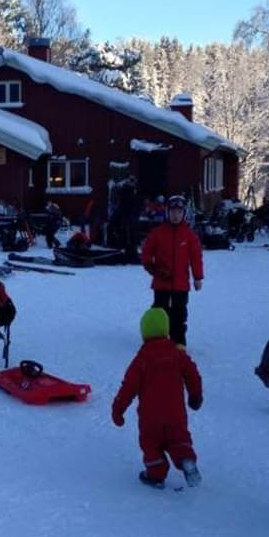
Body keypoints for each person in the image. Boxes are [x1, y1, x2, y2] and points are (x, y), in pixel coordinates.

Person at [110, 307, 204, 488]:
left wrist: (118, 410)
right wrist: (195, 396)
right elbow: (193, 376)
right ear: (166, 331)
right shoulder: (178, 355)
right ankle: (186, 459)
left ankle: (156, 474)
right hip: (175, 414)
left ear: (144, 334)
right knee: (179, 439)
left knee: (151, 445)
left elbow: (127, 388)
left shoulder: (141, 360)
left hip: (150, 418)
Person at [139, 194, 203, 347]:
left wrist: (198, 277)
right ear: (167, 213)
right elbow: (146, 252)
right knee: (160, 313)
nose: (176, 215)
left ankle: (178, 342)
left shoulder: (189, 235)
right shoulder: (158, 233)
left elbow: (196, 257)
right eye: (173, 212)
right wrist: (153, 268)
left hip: (181, 284)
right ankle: (157, 341)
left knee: (179, 314)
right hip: (161, 282)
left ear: (184, 214)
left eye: (179, 212)